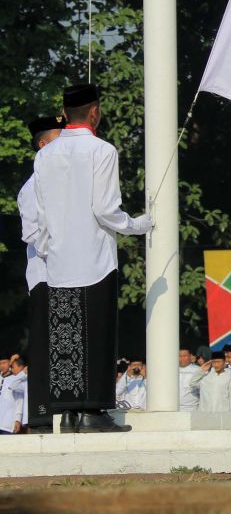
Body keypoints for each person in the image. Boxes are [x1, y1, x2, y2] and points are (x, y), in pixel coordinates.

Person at [34, 84, 152, 433]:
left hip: (58, 259)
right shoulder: (102, 150)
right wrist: (136, 225)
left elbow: (40, 214)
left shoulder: (45, 154)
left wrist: (48, 248)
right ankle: (93, 413)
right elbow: (104, 208)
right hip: (94, 256)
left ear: (65, 112)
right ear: (95, 112)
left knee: (66, 337)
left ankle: (68, 413)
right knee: (98, 334)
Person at [18, 115, 63, 433]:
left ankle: (68, 409)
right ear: (43, 145)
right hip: (47, 275)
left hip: (69, 274)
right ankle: (42, 413)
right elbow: (35, 235)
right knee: (46, 344)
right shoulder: (33, 186)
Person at [0, 356, 28, 434]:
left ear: (10, 363)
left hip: (7, 424)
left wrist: (18, 419)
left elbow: (20, 400)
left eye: (4, 363)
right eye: (0, 363)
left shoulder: (17, 378)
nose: (2, 366)